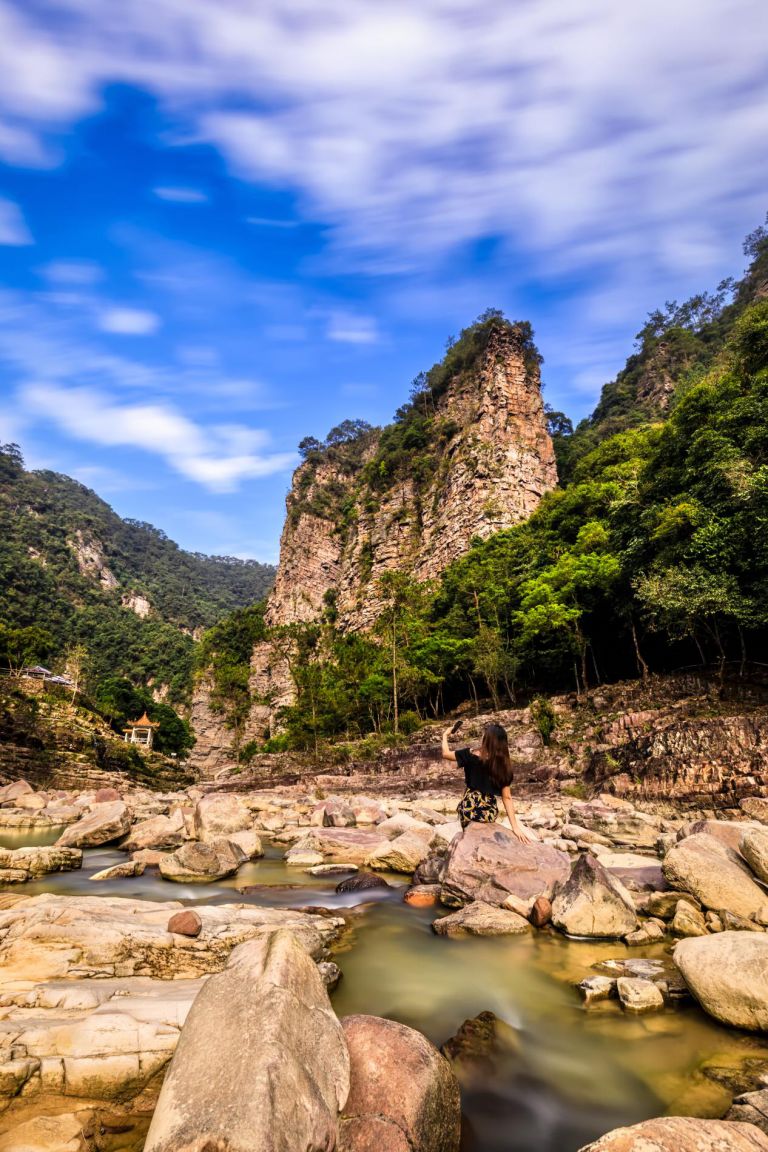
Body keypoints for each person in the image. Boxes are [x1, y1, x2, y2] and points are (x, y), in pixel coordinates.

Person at [442, 722, 537, 844]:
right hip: (488, 813)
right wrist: (515, 828)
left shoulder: (470, 754)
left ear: (486, 739)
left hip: (468, 809)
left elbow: (445, 754)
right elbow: (507, 798)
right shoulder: (503, 766)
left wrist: (445, 735)